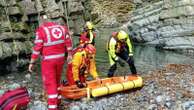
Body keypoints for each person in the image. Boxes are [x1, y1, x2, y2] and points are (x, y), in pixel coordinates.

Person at [28, 15, 73, 110]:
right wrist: (69, 54)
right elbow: (68, 42)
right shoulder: (62, 28)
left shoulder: (41, 30)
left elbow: (37, 48)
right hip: (60, 59)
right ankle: (59, 102)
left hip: (48, 61)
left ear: (41, 22)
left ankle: (53, 107)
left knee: (50, 84)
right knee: (57, 81)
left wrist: (32, 62)